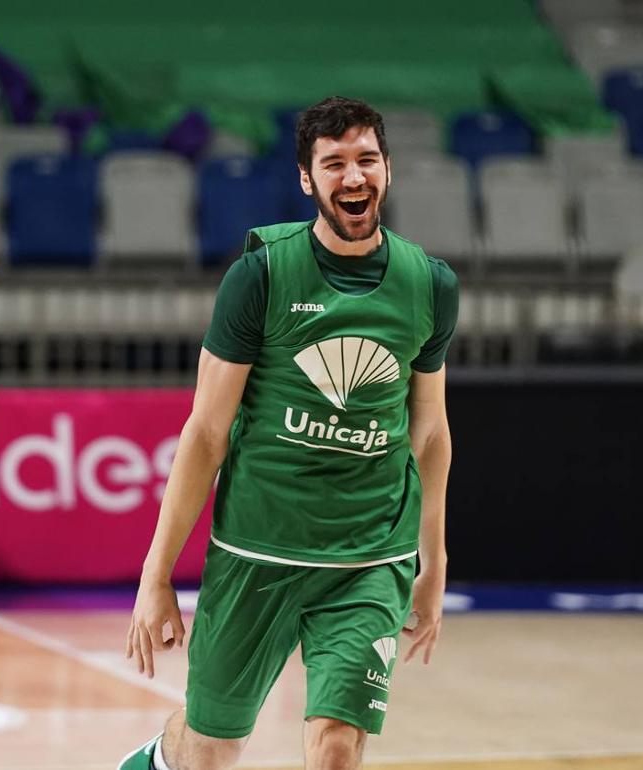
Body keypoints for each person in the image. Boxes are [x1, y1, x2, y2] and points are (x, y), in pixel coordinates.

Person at [118, 96, 459, 770]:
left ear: (387, 169)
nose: (353, 177)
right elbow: (206, 434)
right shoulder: (260, 276)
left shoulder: (430, 284)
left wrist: (433, 562)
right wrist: (156, 574)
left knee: (336, 746)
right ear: (307, 179)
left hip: (369, 557)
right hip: (258, 549)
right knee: (209, 750)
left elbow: (429, 435)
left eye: (366, 160)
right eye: (334, 164)